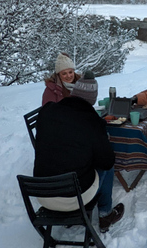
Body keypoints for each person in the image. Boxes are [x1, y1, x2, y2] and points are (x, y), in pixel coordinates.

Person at [33, 73, 125, 232]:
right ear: (93, 100)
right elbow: (107, 161)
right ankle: (105, 214)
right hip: (73, 197)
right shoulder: (92, 122)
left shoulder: (47, 111)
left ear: (74, 93)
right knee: (106, 163)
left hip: (41, 193)